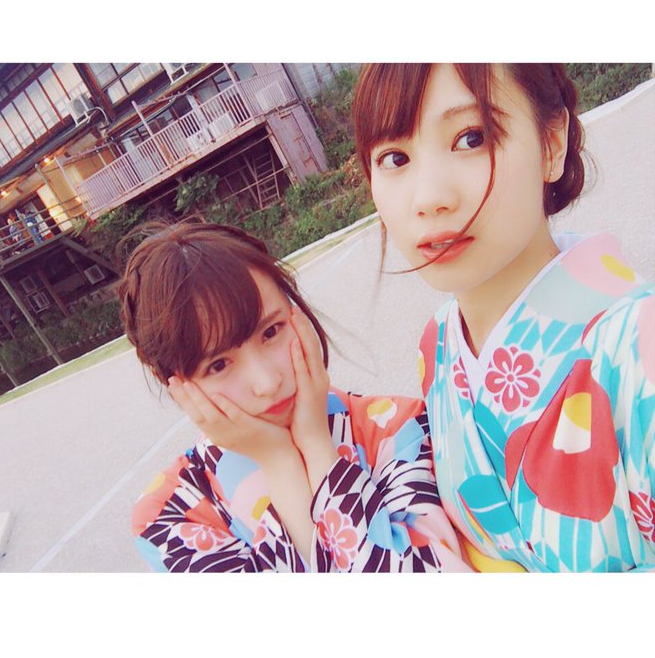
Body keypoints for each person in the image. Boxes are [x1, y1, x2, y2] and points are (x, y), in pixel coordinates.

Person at [352, 64, 655, 572]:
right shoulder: (438, 346)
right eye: (394, 158)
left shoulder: (637, 346)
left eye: (471, 138)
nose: (429, 198)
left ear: (551, 143)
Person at [123, 221, 471, 572]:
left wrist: (317, 446)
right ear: (175, 383)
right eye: (218, 365)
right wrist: (280, 464)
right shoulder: (169, 515)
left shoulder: (395, 426)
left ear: (295, 312)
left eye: (271, 332)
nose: (267, 382)